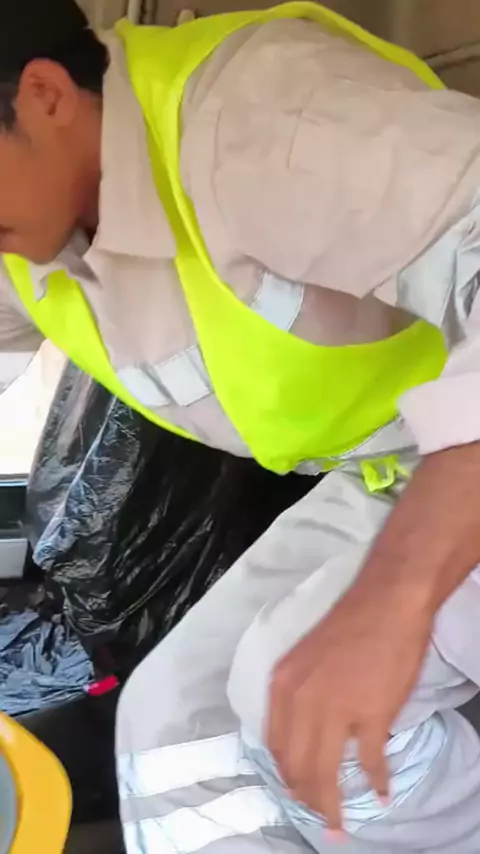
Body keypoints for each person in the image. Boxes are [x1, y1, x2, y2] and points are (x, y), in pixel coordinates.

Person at [2, 0, 480, 851]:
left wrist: (398, 597)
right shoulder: (28, 224)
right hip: (397, 467)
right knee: (174, 727)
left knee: (304, 698)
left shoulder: (266, 116)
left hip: (454, 459)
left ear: (43, 95)